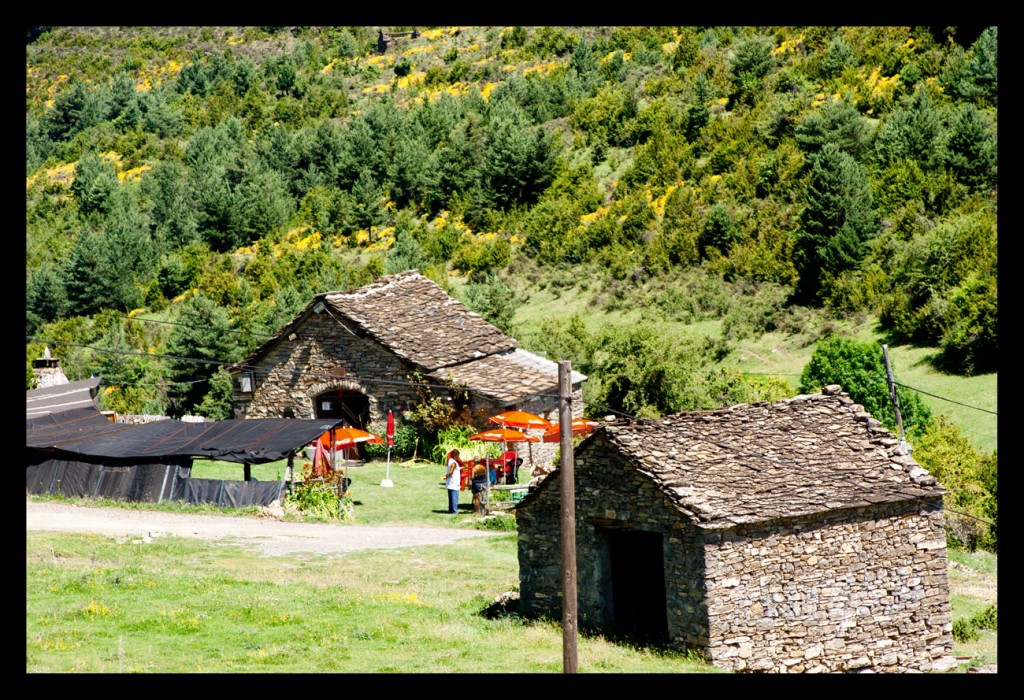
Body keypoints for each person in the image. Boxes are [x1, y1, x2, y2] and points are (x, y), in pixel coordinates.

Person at [445, 449, 462, 514]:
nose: (458, 457)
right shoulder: (454, 463)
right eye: (458, 455)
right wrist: (448, 475)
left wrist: (460, 468)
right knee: (454, 497)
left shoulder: (450, 460)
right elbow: (452, 470)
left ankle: (451, 510)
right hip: (454, 482)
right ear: (456, 455)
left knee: (451, 498)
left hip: (450, 483)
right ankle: (455, 511)